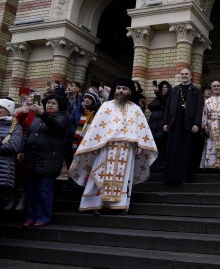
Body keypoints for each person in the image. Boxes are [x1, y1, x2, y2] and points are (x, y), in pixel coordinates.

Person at [69, 78, 157, 214]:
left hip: (127, 149)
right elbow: (95, 129)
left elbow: (142, 130)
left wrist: (140, 144)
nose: (121, 91)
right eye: (119, 88)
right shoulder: (106, 106)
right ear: (115, 90)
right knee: (99, 174)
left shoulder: (136, 109)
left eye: (124, 88)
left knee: (123, 177)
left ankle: (119, 205)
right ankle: (95, 204)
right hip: (106, 147)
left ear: (129, 91)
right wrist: (95, 144)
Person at [20, 94, 69, 227]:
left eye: (53, 103)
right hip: (32, 159)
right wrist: (22, 150)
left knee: (44, 190)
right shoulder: (37, 119)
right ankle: (30, 216)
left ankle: (43, 217)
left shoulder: (62, 118)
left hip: (49, 160)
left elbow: (56, 127)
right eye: (47, 103)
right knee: (31, 190)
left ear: (59, 106)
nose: (49, 105)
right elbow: (28, 135)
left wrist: (43, 114)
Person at [163, 69, 203, 183]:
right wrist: (165, 122)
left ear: (191, 76)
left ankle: (186, 177)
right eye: (182, 74)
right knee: (173, 151)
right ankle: (171, 177)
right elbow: (168, 107)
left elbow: (199, 109)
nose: (184, 76)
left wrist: (196, 124)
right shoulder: (175, 90)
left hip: (188, 126)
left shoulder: (196, 90)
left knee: (187, 151)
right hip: (174, 124)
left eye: (186, 74)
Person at [0, 98, 23, 210]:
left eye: (1, 107)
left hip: (3, 170)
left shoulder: (15, 126)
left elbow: (14, 146)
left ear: (8, 110)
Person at [200, 80, 220, 169]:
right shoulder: (207, 101)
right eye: (214, 86)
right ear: (211, 88)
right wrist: (204, 126)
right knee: (211, 145)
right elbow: (204, 114)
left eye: (218, 86)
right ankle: (211, 165)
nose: (216, 87)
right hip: (211, 127)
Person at [148, 80, 172, 172]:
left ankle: (160, 165)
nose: (164, 89)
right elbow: (150, 106)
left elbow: (165, 102)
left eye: (166, 87)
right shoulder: (157, 98)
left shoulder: (169, 98)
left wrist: (157, 92)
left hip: (162, 125)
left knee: (161, 144)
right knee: (153, 144)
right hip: (153, 124)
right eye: (162, 88)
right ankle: (153, 165)